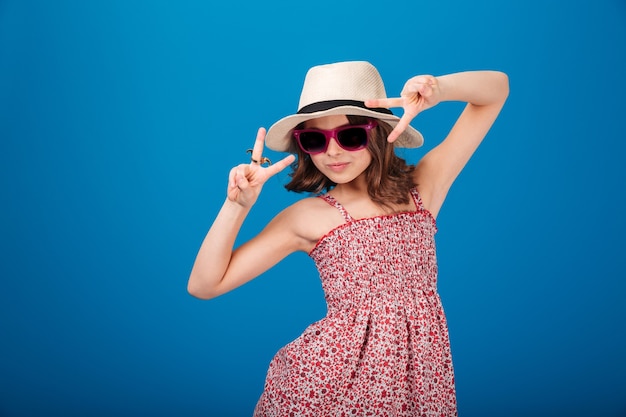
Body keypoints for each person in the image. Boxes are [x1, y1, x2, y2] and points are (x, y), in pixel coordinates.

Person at [188, 61, 509, 416]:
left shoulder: (423, 189)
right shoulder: (309, 216)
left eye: (350, 136)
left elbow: (496, 91)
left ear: (378, 132)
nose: (333, 151)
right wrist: (237, 206)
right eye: (314, 140)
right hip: (327, 390)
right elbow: (204, 285)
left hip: (420, 384)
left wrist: (440, 89)